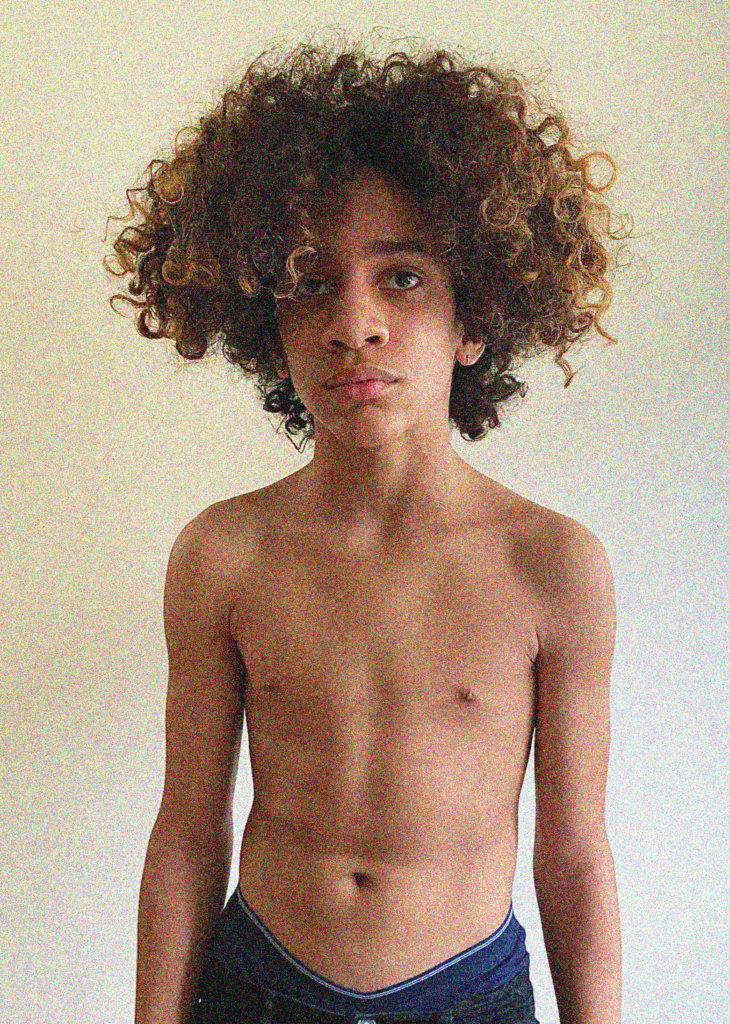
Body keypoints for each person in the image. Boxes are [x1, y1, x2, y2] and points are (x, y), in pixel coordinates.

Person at [106, 36, 631, 1024]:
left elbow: (573, 856)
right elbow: (185, 835)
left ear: (477, 315)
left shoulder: (552, 567)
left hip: (466, 998)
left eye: (401, 278)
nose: (354, 323)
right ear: (266, 325)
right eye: (310, 279)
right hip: (258, 987)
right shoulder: (224, 556)